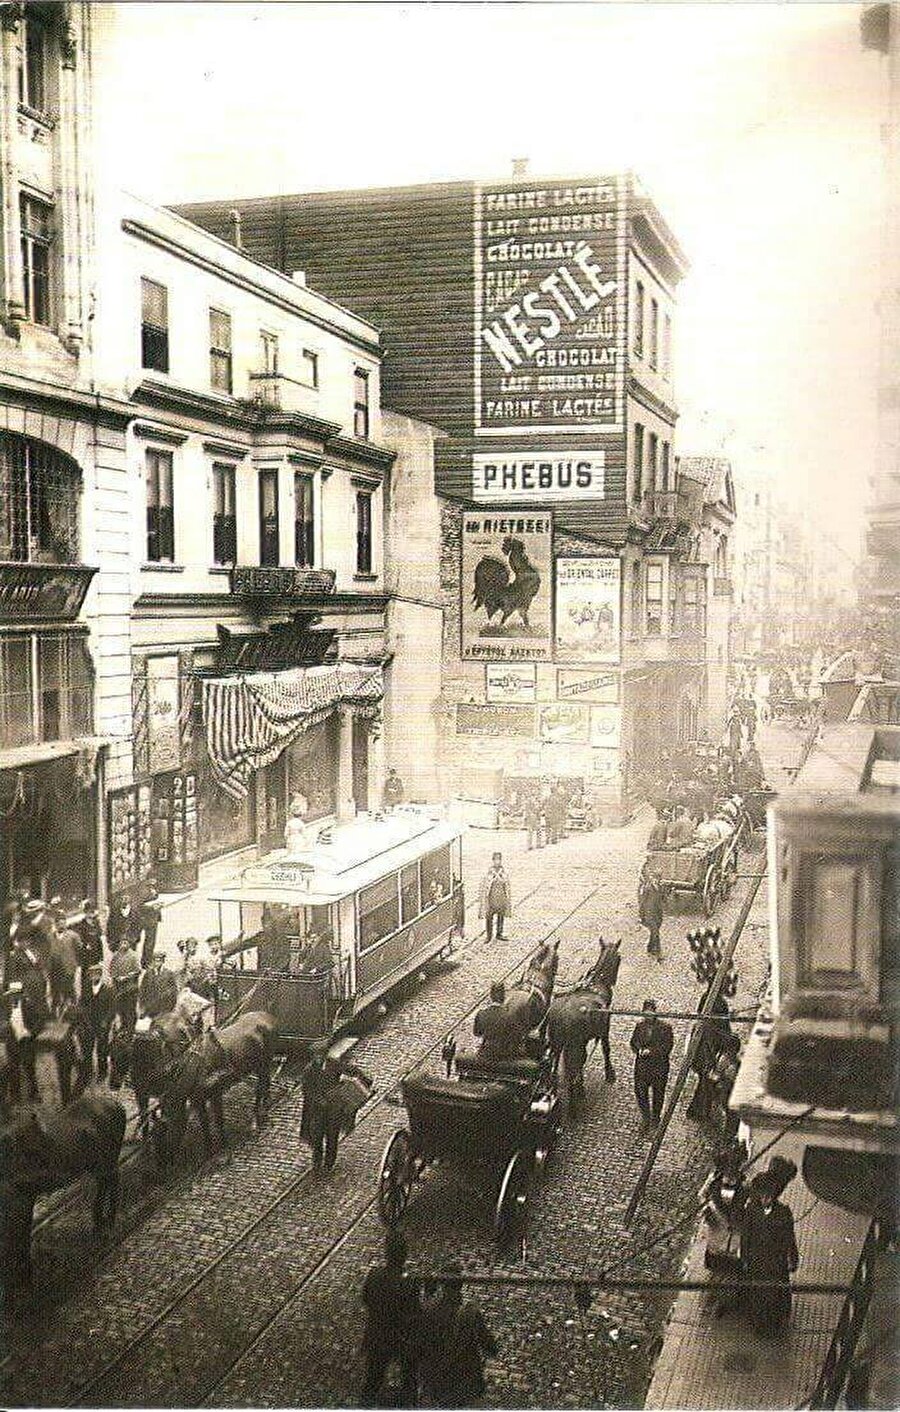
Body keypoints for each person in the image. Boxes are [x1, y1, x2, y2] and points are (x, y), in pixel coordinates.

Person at [419, 1270, 498, 1408]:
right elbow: (490, 1347)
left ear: (442, 1285)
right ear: (461, 1285)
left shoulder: (429, 1311)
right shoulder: (470, 1314)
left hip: (438, 1382)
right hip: (466, 1382)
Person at [360, 1230, 420, 1406]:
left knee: (373, 1379)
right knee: (409, 1378)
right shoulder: (409, 1282)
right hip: (400, 1338)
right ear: (404, 1256)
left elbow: (366, 1298)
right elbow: (415, 1312)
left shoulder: (374, 1276)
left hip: (377, 1335)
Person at [739, 1168, 799, 1335]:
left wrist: (793, 1258)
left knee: (774, 1294)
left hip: (775, 1261)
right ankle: (758, 1323)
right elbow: (746, 1235)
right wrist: (744, 1258)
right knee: (758, 1294)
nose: (765, 1200)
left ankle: (774, 1323)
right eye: (762, 1196)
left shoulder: (783, 1212)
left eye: (769, 1196)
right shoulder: (752, 1210)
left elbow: (789, 1237)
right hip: (757, 1260)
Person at [629, 999, 674, 1133]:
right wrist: (638, 1049)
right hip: (642, 1067)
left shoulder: (665, 1028)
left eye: (650, 1012)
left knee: (658, 1094)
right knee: (640, 1092)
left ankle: (656, 1118)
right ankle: (646, 1117)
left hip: (658, 1067)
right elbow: (633, 1042)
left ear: (654, 1012)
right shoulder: (640, 1026)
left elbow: (667, 1047)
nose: (647, 1015)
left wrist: (652, 1051)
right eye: (645, 1013)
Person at [473, 981, 520, 1060]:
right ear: (503, 996)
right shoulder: (511, 1015)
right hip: (505, 1055)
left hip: (486, 1053)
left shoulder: (481, 1014)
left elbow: (477, 1033)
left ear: (491, 996)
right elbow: (516, 1036)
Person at [109, 934, 141, 1034]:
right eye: (121, 943)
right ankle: (123, 1026)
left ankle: (131, 1029)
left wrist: (126, 977)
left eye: (125, 943)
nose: (123, 945)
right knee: (120, 1008)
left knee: (130, 1009)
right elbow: (111, 969)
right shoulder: (116, 956)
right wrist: (115, 977)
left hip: (130, 988)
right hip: (119, 988)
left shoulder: (133, 956)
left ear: (129, 944)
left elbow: (137, 970)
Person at [478, 853, 511, 943]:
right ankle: (489, 935)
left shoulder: (503, 871)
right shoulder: (489, 871)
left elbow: (506, 883)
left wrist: (500, 877)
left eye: (499, 859)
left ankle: (499, 933)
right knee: (489, 916)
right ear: (493, 860)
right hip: (491, 897)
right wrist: (493, 878)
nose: (497, 861)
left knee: (501, 915)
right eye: (495, 859)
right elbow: (485, 883)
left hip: (501, 897)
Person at [638, 864, 664, 961]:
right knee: (656, 932)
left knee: (654, 932)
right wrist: (641, 915)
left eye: (658, 879)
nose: (656, 880)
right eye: (655, 878)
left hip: (657, 914)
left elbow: (660, 902)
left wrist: (661, 914)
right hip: (649, 914)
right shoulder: (647, 888)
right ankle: (658, 953)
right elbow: (642, 902)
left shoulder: (659, 887)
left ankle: (649, 947)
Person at [137, 888, 162, 970]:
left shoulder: (151, 887)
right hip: (144, 919)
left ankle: (147, 961)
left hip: (153, 919)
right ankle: (143, 962)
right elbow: (137, 905)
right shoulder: (140, 889)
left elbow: (156, 897)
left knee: (151, 942)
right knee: (146, 942)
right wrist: (151, 907)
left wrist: (158, 903)